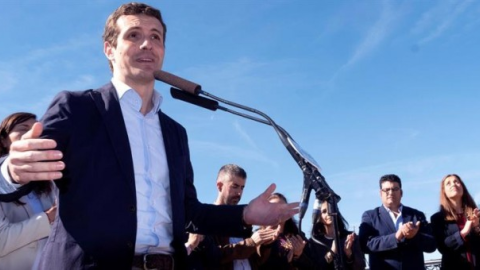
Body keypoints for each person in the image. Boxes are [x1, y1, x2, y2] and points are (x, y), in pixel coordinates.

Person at [2, 3, 299, 269]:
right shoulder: (77, 107)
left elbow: (189, 212)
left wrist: (245, 214)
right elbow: (28, 165)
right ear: (109, 49)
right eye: (133, 35)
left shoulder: (175, 133)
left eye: (156, 36)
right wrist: (13, 169)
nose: (147, 43)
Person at [190, 164, 279, 270]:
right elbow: (212, 257)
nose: (239, 193)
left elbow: (253, 261)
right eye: (235, 186)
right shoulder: (205, 219)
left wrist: (264, 245)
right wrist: (251, 243)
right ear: (219, 186)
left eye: (242, 187)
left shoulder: (243, 221)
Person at [0, 112, 57, 270]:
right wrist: (48, 218)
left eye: (36, 129)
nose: (31, 135)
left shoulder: (52, 179)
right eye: (23, 129)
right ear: (4, 140)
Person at [359, 174, 436, 270]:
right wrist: (396, 237)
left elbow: (432, 245)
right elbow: (365, 244)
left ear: (401, 192)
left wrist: (415, 236)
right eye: (386, 190)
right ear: (380, 193)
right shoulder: (370, 216)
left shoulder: (417, 215)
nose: (390, 192)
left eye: (395, 189)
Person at [430, 174, 480, 269]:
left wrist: (477, 227)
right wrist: (463, 232)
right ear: (444, 192)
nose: (453, 184)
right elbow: (443, 247)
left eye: (456, 181)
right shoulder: (437, 218)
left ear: (462, 187)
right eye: (448, 183)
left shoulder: (476, 214)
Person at [305, 199, 365, 270]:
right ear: (319, 217)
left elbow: (360, 266)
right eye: (324, 211)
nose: (328, 213)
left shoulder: (350, 238)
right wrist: (331, 252)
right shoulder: (314, 243)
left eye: (331, 209)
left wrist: (349, 253)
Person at [257, 193, 308, 270]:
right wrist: (286, 261)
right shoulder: (259, 236)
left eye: (282, 209)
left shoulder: (298, 235)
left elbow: (312, 265)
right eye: (273, 209)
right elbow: (259, 264)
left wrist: (299, 255)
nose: (278, 212)